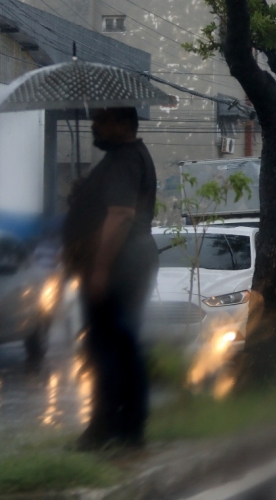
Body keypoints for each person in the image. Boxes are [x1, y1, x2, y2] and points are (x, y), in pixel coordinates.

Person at [62, 107, 158, 450]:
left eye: (101, 120)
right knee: (115, 345)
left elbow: (120, 215)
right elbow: (109, 207)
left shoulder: (125, 159)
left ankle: (113, 428)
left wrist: (100, 269)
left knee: (110, 347)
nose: (94, 125)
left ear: (122, 124)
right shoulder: (124, 158)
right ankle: (121, 428)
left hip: (120, 266)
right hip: (124, 263)